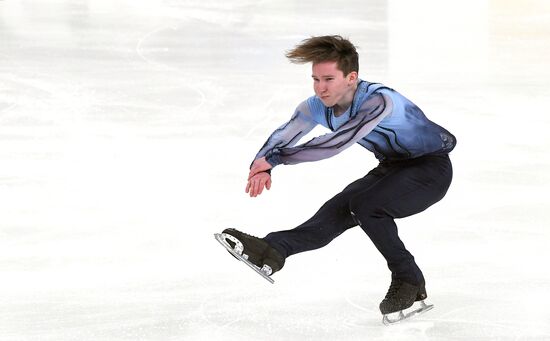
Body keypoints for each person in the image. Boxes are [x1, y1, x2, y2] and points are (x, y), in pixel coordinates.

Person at [220, 35, 456, 319]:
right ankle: (274, 249)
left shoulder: (379, 101)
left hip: (431, 169)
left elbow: (336, 143)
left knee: (367, 206)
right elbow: (285, 133)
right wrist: (263, 164)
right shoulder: (316, 107)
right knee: (339, 208)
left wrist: (276, 158)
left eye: (328, 79)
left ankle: (408, 279)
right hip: (393, 166)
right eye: (315, 79)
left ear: (351, 77)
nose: (320, 88)